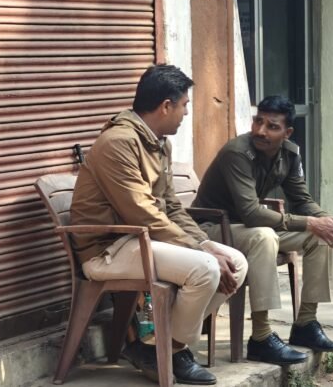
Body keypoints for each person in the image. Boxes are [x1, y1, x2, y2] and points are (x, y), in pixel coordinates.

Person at [70, 64, 248, 385]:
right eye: (184, 106)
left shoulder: (158, 143)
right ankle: (170, 352)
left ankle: (160, 348)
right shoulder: (118, 143)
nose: (186, 113)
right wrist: (201, 251)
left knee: (235, 262)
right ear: (166, 106)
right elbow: (141, 212)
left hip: (141, 240)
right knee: (205, 268)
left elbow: (171, 207)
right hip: (108, 249)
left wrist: (204, 243)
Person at [194, 95, 333, 365]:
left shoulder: (289, 154)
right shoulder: (237, 153)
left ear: (287, 132)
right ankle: (261, 337)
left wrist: (331, 224)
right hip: (212, 229)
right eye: (258, 121)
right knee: (264, 236)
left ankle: (306, 323)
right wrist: (310, 222)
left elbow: (302, 200)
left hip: (245, 228)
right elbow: (251, 212)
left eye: (272, 126)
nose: (261, 131)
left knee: (320, 236)